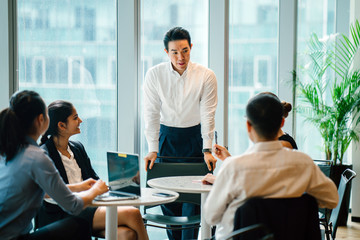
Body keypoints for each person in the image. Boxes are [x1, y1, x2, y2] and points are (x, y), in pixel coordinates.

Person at [203, 93, 338, 239]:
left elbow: (211, 217)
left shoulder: (233, 167)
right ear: (282, 123)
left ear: (248, 125)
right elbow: (331, 199)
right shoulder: (304, 163)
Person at [0, 90, 108, 240]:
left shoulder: (8, 150)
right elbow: (73, 205)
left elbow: (46, 191)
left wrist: (81, 187)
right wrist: (95, 190)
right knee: (79, 225)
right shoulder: (36, 157)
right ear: (40, 120)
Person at [143, 26, 218, 240]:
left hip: (196, 140)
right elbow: (151, 113)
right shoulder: (154, 75)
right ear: (166, 52)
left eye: (185, 50)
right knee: (170, 204)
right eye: (175, 52)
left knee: (193, 205)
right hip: (167, 141)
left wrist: (207, 148)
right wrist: (152, 149)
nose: (180, 57)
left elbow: (208, 114)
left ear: (191, 47)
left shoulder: (206, 75)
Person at [38, 100, 149, 240]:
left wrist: (120, 181)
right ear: (61, 125)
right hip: (63, 212)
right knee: (133, 214)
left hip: (88, 207)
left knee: (127, 235)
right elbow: (45, 191)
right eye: (75, 118)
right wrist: (81, 188)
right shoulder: (44, 154)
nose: (80, 120)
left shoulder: (77, 148)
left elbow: (93, 179)